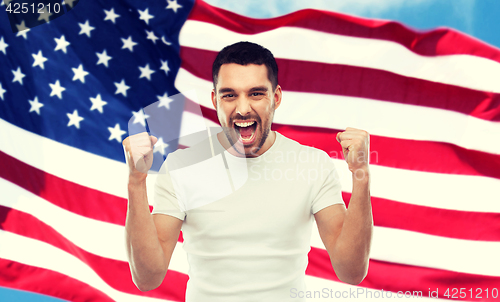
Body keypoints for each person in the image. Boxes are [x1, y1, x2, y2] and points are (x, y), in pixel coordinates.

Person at [123, 41, 373, 301]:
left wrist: (360, 174)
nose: (242, 109)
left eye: (256, 94)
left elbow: (351, 271)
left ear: (275, 98)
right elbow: (147, 278)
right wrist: (136, 181)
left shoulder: (312, 165)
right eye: (230, 95)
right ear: (215, 99)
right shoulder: (180, 167)